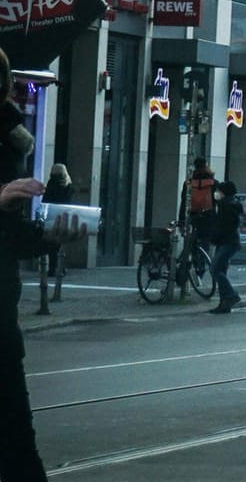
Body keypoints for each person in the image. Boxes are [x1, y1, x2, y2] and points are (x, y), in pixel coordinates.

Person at [0, 47, 87, 482]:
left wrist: (51, 236)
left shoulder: (10, 142)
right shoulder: (11, 140)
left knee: (19, 450)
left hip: (0, 325)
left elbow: (11, 237)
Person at [204, 180, 242, 314]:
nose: (217, 193)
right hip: (229, 242)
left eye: (219, 191)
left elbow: (223, 226)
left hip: (227, 242)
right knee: (221, 270)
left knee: (214, 269)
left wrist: (215, 237)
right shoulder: (231, 204)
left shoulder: (226, 206)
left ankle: (231, 295)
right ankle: (224, 304)